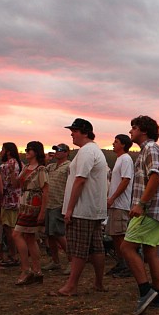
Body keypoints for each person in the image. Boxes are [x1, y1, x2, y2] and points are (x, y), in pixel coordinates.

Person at [121, 115, 159, 315]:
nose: (130, 131)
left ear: (143, 130)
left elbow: (156, 177)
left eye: (134, 127)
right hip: (155, 209)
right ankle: (158, 297)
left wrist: (141, 204)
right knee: (151, 251)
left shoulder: (151, 148)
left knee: (126, 248)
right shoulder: (149, 149)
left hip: (150, 210)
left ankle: (145, 291)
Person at [55, 119, 108, 296]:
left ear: (85, 132)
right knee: (96, 247)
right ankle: (98, 283)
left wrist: (69, 209)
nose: (72, 134)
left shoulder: (86, 151)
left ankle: (71, 286)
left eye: (75, 131)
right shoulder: (95, 150)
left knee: (78, 249)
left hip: (83, 209)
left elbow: (80, 180)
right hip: (93, 208)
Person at [13, 141, 49, 286]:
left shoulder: (41, 169)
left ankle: (26, 269)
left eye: (29, 149)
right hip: (24, 204)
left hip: (33, 205)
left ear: (36, 152)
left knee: (16, 234)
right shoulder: (26, 167)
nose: (27, 151)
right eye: (26, 149)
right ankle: (37, 271)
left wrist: (42, 211)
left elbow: (45, 191)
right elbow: (16, 184)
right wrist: (12, 173)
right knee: (30, 238)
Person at [106, 134, 133, 278]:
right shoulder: (119, 159)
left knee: (120, 235)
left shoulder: (126, 159)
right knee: (115, 235)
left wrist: (113, 198)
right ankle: (121, 263)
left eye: (116, 142)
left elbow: (125, 180)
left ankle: (128, 266)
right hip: (115, 204)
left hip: (121, 204)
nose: (113, 143)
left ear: (123, 145)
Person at [42, 144, 71, 273]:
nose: (57, 152)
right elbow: (40, 171)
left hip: (59, 203)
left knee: (59, 234)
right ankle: (55, 261)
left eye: (60, 150)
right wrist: (46, 159)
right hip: (48, 203)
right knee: (50, 234)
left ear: (66, 152)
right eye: (56, 150)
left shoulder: (69, 166)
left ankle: (72, 261)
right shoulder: (51, 167)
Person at [0, 142, 23, 267]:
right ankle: (17, 255)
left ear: (8, 152)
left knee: (9, 230)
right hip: (18, 200)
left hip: (8, 201)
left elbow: (5, 185)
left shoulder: (6, 166)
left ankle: (13, 256)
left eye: (2, 149)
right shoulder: (20, 164)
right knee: (16, 229)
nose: (0, 152)